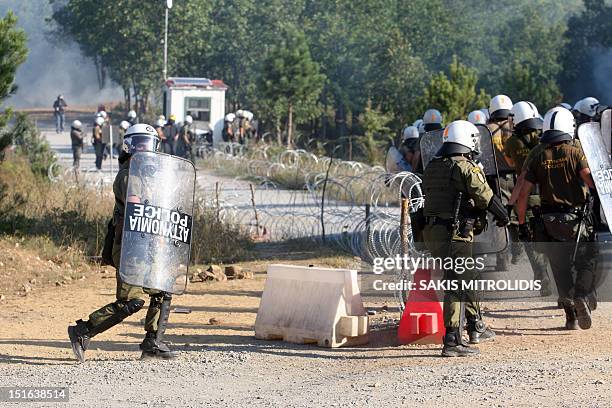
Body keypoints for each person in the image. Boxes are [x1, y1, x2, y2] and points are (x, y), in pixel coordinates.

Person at [68, 124, 178, 361]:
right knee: (131, 301)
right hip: (131, 246)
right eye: (139, 144)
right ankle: (83, 331)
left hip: (147, 244)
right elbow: (138, 212)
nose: (144, 149)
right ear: (130, 146)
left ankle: (153, 341)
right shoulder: (129, 176)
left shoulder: (148, 178)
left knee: (161, 289)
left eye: (148, 144)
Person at [422, 120, 509, 357]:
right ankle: (452, 340)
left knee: (465, 276)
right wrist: (504, 216)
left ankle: (475, 325)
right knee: (456, 283)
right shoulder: (464, 167)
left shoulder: (433, 166)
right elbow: (485, 196)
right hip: (454, 233)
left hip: (433, 233)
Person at [516, 107, 597, 330]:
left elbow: (523, 193)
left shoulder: (539, 155)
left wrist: (521, 223)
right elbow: (590, 181)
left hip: (549, 221)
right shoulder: (574, 152)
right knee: (586, 260)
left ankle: (570, 317)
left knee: (559, 268)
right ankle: (581, 296)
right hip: (576, 220)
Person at [504, 101, 552, 295]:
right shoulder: (544, 140)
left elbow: (510, 162)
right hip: (547, 194)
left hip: (525, 194)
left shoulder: (512, 143)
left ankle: (541, 274)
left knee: (529, 237)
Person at [487, 94, 520, 270]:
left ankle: (502, 260)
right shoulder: (514, 127)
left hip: (494, 179)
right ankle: (517, 250)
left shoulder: (486, 129)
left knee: (499, 218)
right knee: (515, 214)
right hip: (516, 177)